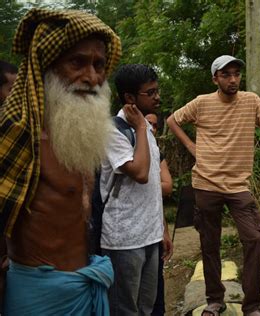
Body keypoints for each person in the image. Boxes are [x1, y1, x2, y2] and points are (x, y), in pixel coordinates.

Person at [166, 55, 260, 316]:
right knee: (210, 244)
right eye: (226, 74)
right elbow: (172, 120)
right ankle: (215, 300)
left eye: (236, 74)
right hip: (205, 183)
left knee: (255, 240)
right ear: (215, 78)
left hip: (239, 187)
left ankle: (251, 306)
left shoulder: (251, 101)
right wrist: (191, 146)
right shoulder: (202, 103)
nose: (233, 79)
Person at [0, 8, 121, 315]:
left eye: (99, 65)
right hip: (38, 296)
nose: (92, 77)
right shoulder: (18, 135)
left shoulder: (80, 134)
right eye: (77, 62)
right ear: (48, 66)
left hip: (84, 282)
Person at [100, 64, 165, 315]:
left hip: (150, 234)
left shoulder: (147, 128)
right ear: (129, 98)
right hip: (124, 239)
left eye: (157, 90)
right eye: (151, 92)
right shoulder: (112, 130)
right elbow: (139, 173)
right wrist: (139, 127)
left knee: (146, 307)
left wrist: (162, 229)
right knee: (124, 309)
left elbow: (153, 182)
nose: (158, 97)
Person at [145, 112, 174, 316]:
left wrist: (164, 229)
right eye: (148, 124)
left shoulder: (157, 153)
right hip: (127, 235)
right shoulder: (123, 145)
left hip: (154, 224)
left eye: (155, 126)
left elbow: (167, 187)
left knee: (155, 286)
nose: (153, 129)